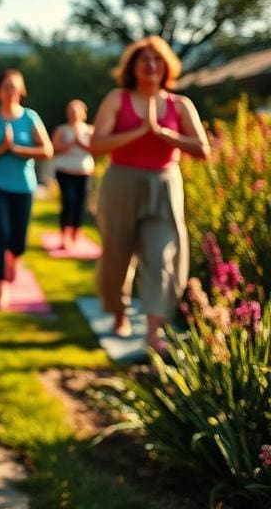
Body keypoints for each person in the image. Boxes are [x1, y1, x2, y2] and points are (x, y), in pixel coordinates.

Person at [89, 37, 209, 354]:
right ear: (132, 66)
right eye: (144, 59)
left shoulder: (180, 105)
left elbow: (202, 150)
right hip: (121, 183)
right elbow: (96, 145)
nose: (151, 65)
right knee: (117, 254)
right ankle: (118, 311)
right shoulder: (118, 98)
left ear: (167, 65)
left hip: (164, 183)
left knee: (162, 256)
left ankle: (153, 333)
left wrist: (164, 134)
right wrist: (139, 132)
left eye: (157, 59)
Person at [0, 70, 53, 308]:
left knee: (18, 242)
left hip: (23, 186)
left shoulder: (30, 118)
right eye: (6, 87)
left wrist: (16, 149)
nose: (10, 91)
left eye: (14, 87)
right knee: (1, 233)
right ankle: (1, 288)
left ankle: (13, 259)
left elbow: (47, 151)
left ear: (22, 91)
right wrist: (0, 148)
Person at [50, 99, 96, 252]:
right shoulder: (62, 130)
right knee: (68, 203)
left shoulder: (90, 130)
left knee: (80, 205)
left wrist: (80, 143)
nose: (74, 115)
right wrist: (70, 143)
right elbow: (54, 149)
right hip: (65, 171)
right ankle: (65, 236)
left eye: (76, 112)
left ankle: (76, 234)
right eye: (71, 111)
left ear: (83, 114)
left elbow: (97, 148)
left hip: (83, 173)